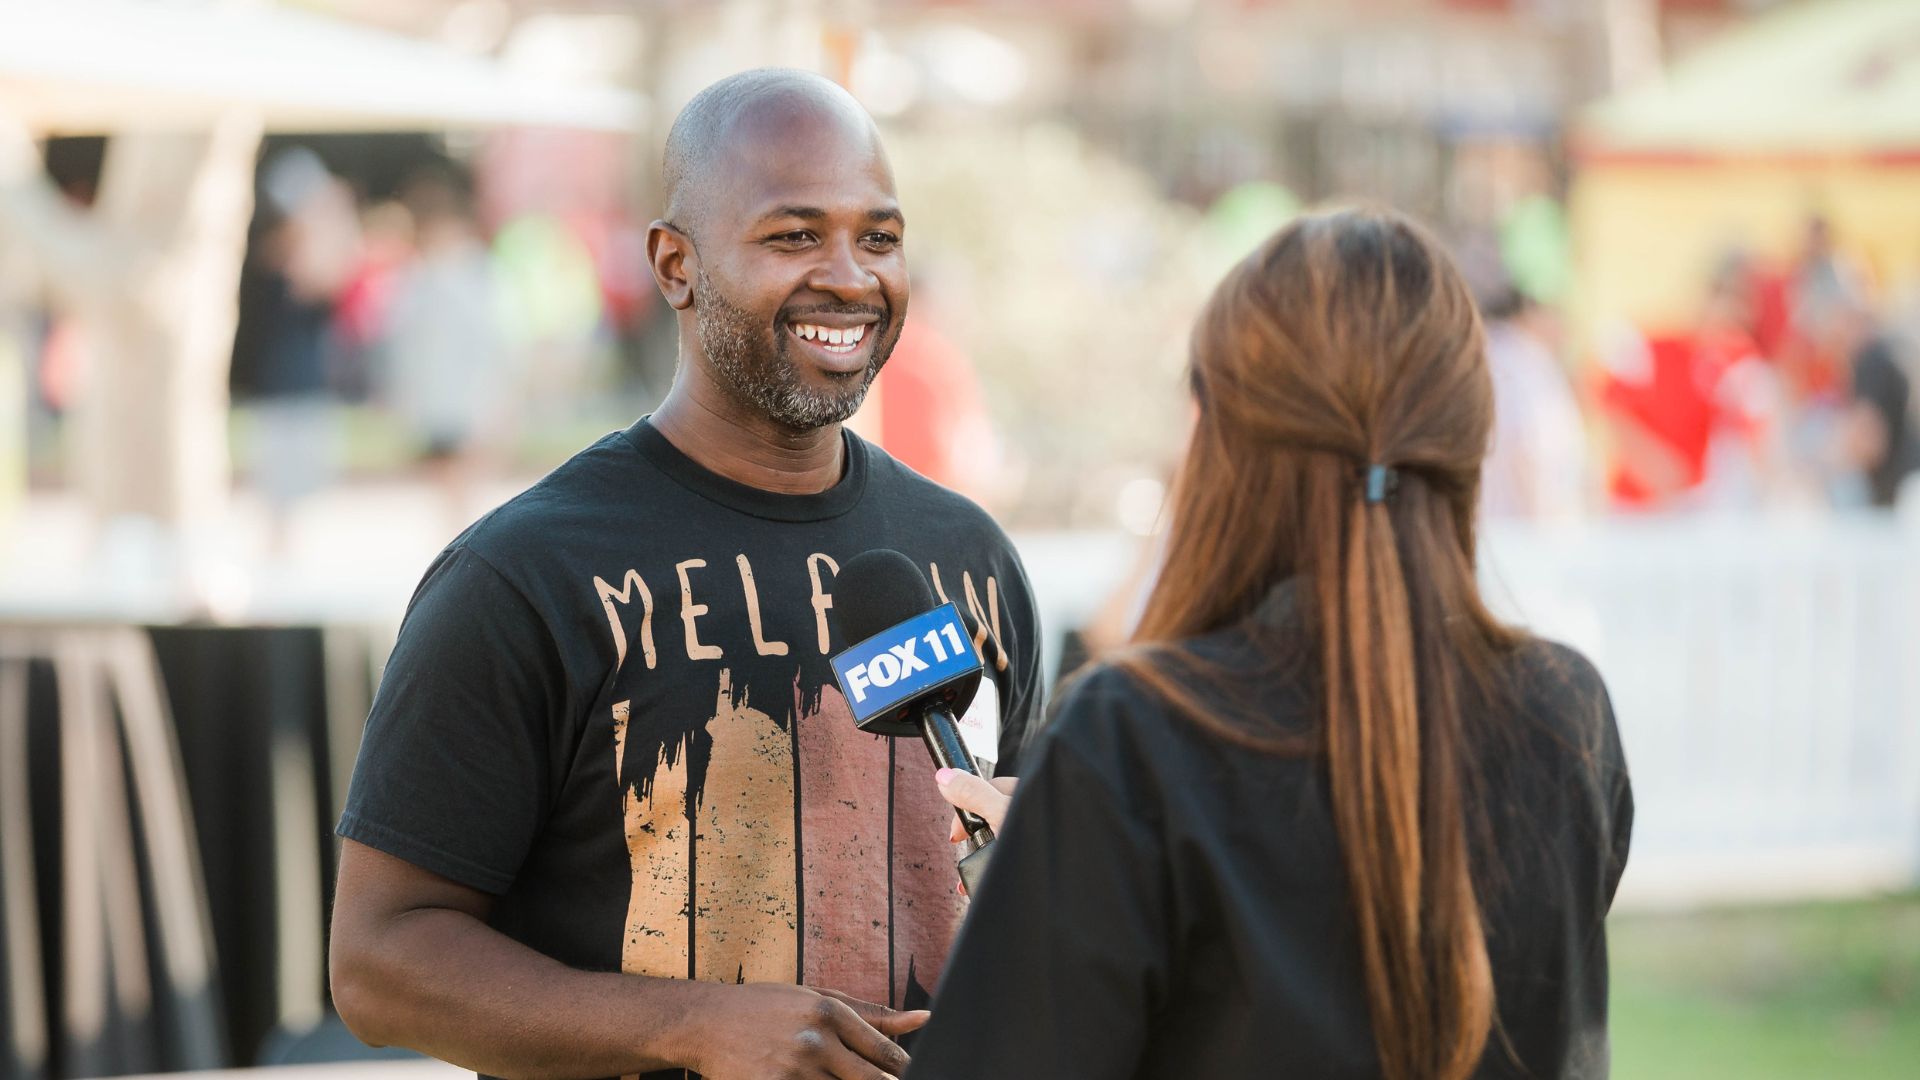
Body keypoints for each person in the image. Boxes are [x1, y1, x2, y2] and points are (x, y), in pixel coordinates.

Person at [327, 69, 1044, 1080]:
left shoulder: (969, 557)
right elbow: (379, 963)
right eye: (794, 236)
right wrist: (689, 1026)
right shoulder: (525, 574)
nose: (849, 277)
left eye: (879, 238)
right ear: (676, 264)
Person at [915, 209, 1633, 1080]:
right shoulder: (1566, 712)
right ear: (1468, 428)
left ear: (1220, 437)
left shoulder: (1134, 738)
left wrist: (1053, 870)